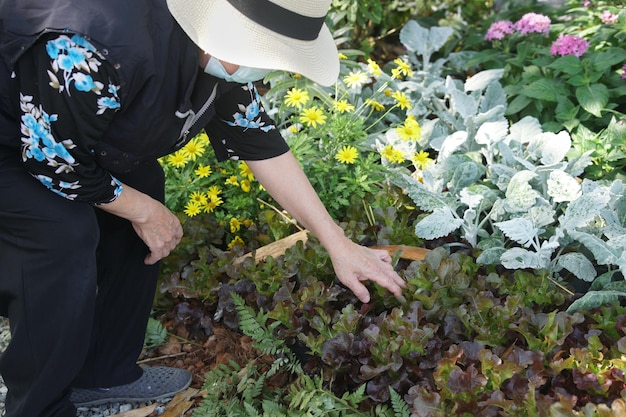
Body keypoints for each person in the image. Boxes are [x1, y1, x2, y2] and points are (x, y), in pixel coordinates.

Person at [0, 0, 407, 415]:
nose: (267, 68)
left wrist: (338, 243)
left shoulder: (218, 57)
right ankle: (38, 407)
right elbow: (53, 160)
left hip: (61, 140)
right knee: (58, 232)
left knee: (143, 186)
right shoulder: (93, 48)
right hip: (13, 142)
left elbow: (259, 141)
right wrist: (142, 210)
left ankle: (103, 376)